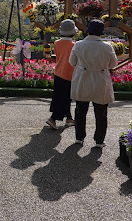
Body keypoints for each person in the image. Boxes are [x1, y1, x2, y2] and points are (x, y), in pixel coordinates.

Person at [69, 19, 118, 148]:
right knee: (101, 112)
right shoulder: (107, 46)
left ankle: (79, 138)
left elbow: (72, 62)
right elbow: (113, 64)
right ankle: (99, 140)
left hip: (82, 78)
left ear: (88, 31)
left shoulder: (78, 45)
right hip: (101, 79)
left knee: (80, 110)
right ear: (101, 33)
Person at [45, 19, 78, 130]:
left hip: (58, 72)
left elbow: (58, 56)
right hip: (70, 74)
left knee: (60, 96)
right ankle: (53, 118)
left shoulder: (57, 43)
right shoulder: (75, 45)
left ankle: (69, 118)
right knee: (65, 98)